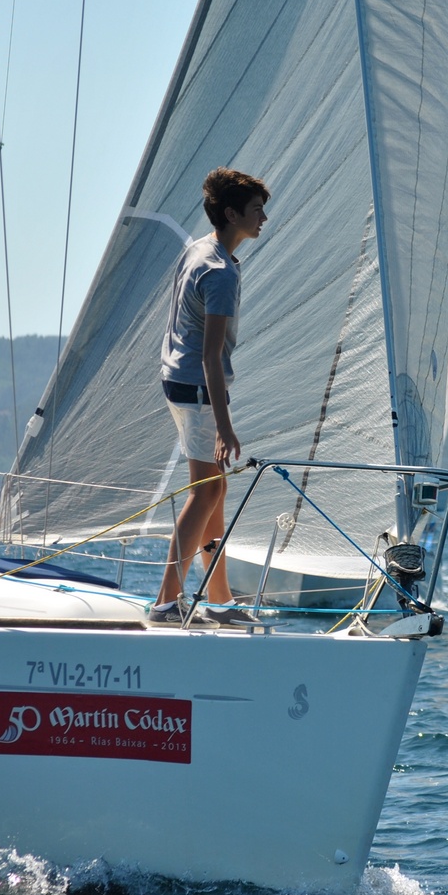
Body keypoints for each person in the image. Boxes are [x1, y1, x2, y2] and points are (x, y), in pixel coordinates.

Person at [150, 166, 269, 625]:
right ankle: (166, 602)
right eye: (256, 210)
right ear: (231, 214)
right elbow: (211, 355)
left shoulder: (199, 249)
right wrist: (224, 426)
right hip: (197, 387)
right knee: (207, 491)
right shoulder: (220, 273)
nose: (263, 219)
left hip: (177, 381)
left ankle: (219, 600)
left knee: (213, 487)